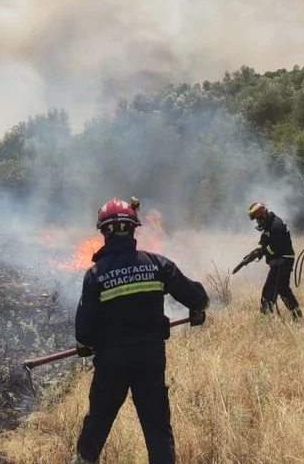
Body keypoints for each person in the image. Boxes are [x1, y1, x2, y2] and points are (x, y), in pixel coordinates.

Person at [69, 198, 209, 464]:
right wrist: (198, 308)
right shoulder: (157, 264)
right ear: (133, 229)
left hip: (112, 363)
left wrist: (84, 346)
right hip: (150, 359)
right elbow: (197, 299)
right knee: (156, 427)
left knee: (98, 420)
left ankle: (85, 460)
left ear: (105, 233)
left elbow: (84, 332)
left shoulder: (96, 275)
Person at [245, 202, 303, 320]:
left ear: (263, 215)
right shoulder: (269, 224)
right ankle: (297, 315)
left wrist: (262, 252)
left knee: (268, 291)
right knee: (283, 290)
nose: (257, 222)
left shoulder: (276, 225)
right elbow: (265, 242)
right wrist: (256, 252)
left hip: (281, 262)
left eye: (258, 219)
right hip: (280, 261)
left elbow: (274, 248)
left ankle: (265, 322)